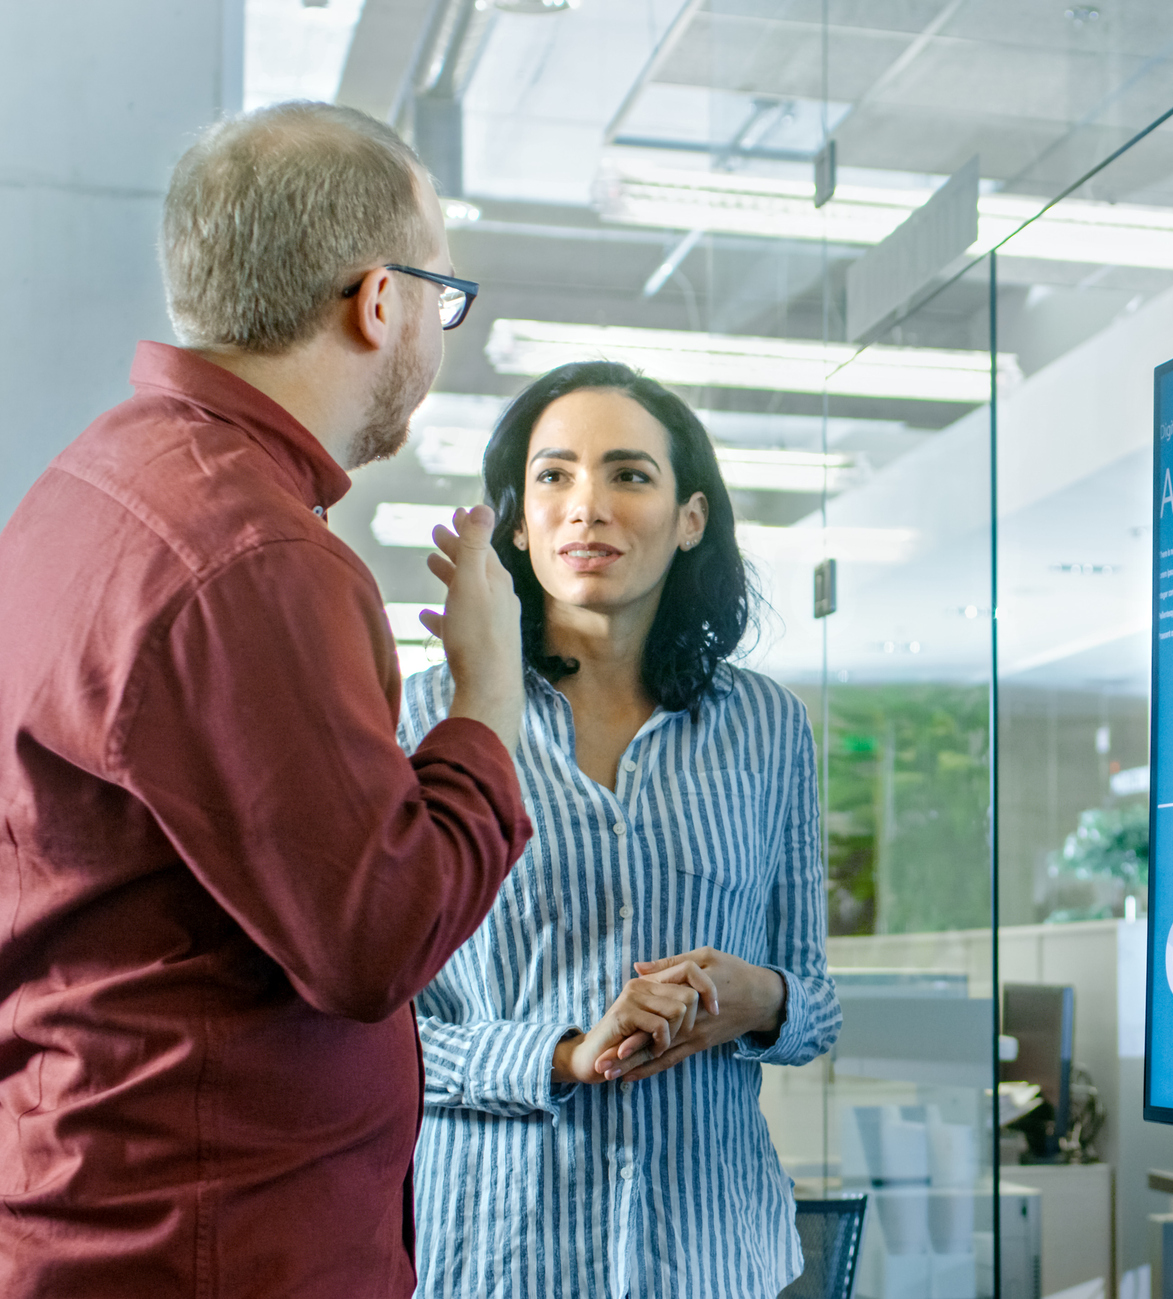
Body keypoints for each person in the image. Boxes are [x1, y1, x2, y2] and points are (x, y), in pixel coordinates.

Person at [0, 103, 531, 1295]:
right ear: (377, 300)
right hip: (211, 1247)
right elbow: (374, 938)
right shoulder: (249, 552)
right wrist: (486, 700)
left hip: (113, 1211)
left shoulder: (87, 487)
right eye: (442, 295)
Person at [400, 360, 839, 1296]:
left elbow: (815, 1004)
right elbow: (376, 1033)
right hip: (499, 1251)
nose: (585, 505)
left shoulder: (766, 725)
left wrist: (757, 995)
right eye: (553, 475)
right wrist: (560, 1052)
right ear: (518, 521)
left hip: (710, 1253)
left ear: (690, 518)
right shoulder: (429, 718)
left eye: (628, 474)